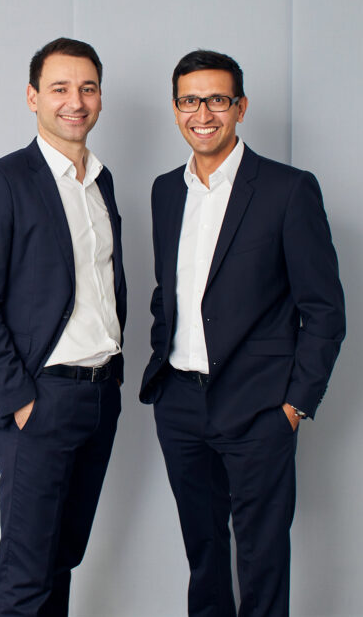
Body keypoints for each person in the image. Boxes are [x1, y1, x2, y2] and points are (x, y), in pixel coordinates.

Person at [141, 49, 345, 616]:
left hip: (259, 408)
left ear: (240, 107)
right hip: (180, 404)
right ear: (175, 109)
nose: (202, 113)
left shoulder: (287, 190)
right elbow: (168, 291)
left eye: (217, 100)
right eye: (189, 100)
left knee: (261, 561)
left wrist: (294, 405)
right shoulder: (165, 191)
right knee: (204, 558)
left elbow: (324, 309)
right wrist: (164, 369)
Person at [0, 37, 126, 617]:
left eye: (87, 88)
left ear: (99, 97)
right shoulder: (2, 181)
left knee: (61, 560)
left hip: (99, 397)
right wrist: (22, 401)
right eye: (60, 88)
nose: (75, 101)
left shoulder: (101, 182)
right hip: (41, 399)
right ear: (33, 97)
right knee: (26, 573)